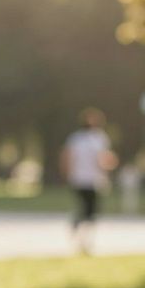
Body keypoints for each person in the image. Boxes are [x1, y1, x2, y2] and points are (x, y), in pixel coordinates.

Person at [60, 107, 118, 254]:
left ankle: (84, 240)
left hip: (94, 180)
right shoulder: (76, 138)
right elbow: (67, 157)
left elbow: (104, 159)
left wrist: (107, 169)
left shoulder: (99, 138)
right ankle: (79, 232)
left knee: (91, 212)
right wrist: (67, 174)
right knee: (85, 209)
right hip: (79, 179)